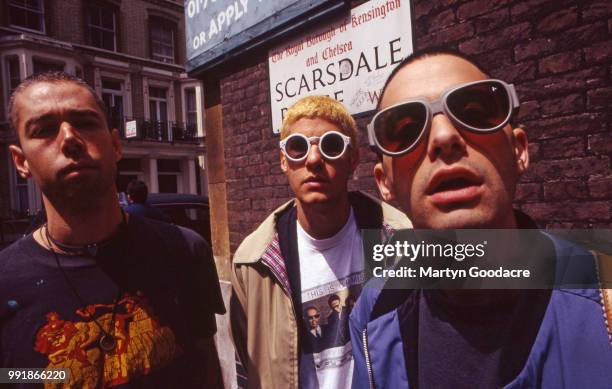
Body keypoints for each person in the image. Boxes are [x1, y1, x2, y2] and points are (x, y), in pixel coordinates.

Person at [349, 48, 612, 388]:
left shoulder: (604, 304)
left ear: (519, 150)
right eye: (405, 129)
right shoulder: (372, 313)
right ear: (385, 183)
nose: (444, 138)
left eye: (474, 111)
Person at [0, 72, 226, 388]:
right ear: (20, 161)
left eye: (86, 123)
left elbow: (204, 367)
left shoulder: (184, 251)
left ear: (116, 145)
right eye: (45, 130)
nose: (69, 138)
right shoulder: (5, 282)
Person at [230, 96, 411, 389]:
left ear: (353, 160)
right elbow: (245, 369)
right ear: (284, 161)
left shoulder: (400, 237)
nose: (313, 160)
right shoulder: (253, 264)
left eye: (331, 145)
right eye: (298, 147)